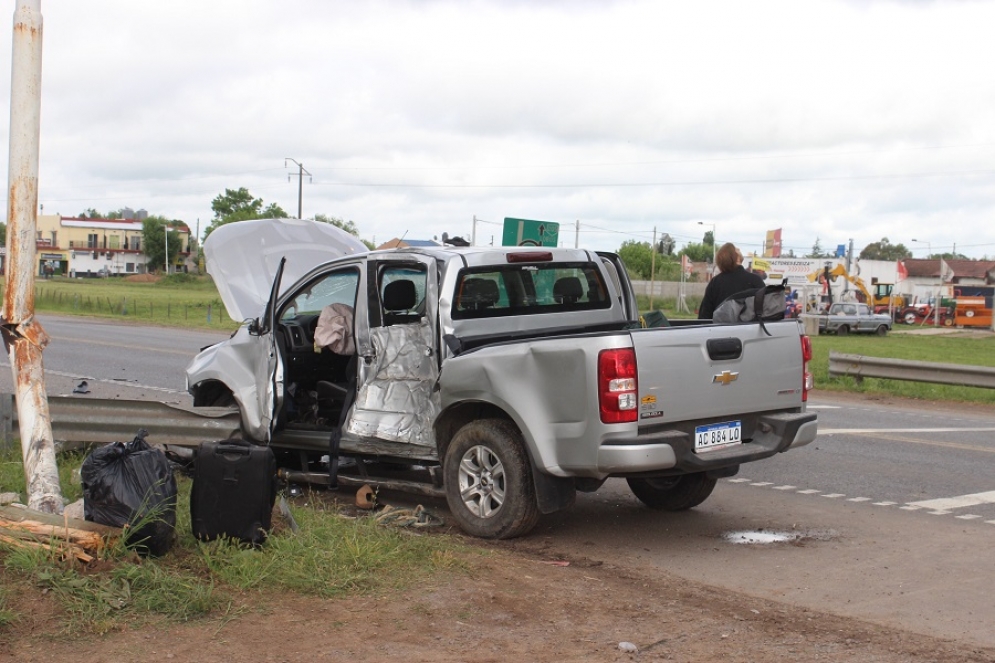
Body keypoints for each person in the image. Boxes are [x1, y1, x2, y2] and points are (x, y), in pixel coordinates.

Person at [697, 243, 766, 320]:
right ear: (735, 258)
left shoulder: (715, 283)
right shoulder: (755, 280)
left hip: (720, 330)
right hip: (751, 331)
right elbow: (767, 310)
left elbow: (704, 317)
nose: (739, 249)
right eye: (736, 249)